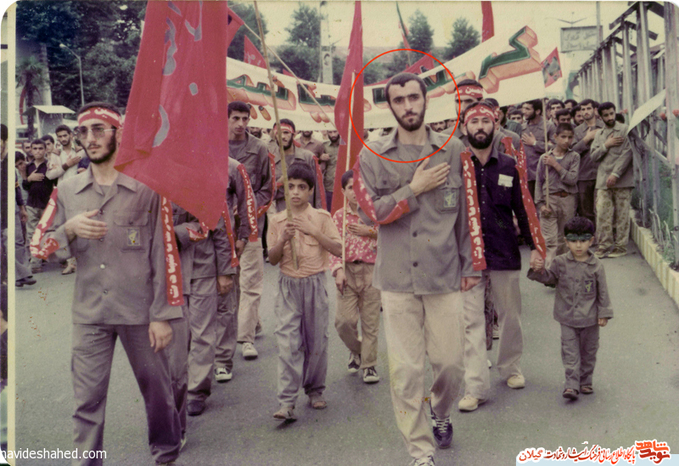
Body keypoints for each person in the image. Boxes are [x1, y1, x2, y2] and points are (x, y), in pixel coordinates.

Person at [35, 102, 186, 465]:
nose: (90, 138)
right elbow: (39, 247)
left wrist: (163, 315)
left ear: (119, 134)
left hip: (140, 312)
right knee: (87, 399)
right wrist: (68, 230)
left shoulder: (148, 187)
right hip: (91, 314)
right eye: (83, 132)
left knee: (157, 391)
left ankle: (166, 451)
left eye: (99, 129)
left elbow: (164, 253)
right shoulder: (67, 190)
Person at [356, 72, 480, 465]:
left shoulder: (453, 149)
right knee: (406, 371)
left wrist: (471, 266)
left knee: (450, 365)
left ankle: (440, 412)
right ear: (389, 106)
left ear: (426, 100)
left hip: (444, 274)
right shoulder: (372, 155)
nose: (408, 106)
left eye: (414, 97)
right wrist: (415, 188)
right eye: (399, 100)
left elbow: (467, 214)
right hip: (397, 281)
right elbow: (372, 214)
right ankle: (420, 451)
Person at [457, 101, 541, 414]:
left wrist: (536, 247)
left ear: (495, 125)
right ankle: (475, 386)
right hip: (467, 256)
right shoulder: (456, 165)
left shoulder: (509, 165)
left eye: (485, 121)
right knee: (471, 322)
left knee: (510, 316)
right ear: (464, 128)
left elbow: (523, 207)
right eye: (474, 121)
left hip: (504, 250)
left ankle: (510, 368)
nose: (480, 126)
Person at [267, 162, 342, 421]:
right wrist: (282, 239)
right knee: (288, 342)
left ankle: (315, 389)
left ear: (310, 190)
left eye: (302, 187)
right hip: (288, 286)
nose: (296, 192)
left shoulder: (322, 217)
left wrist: (314, 232)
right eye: (291, 187)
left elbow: (338, 249)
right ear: (284, 190)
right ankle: (286, 401)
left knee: (316, 340)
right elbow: (273, 259)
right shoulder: (277, 220)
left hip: (314, 283)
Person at [527, 216, 612, 400]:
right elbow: (550, 279)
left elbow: (603, 292)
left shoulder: (596, 266)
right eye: (573, 241)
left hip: (590, 318)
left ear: (591, 240)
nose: (578, 245)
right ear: (566, 241)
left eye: (583, 240)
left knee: (589, 352)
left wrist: (604, 313)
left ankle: (585, 381)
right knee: (570, 352)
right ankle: (571, 385)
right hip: (566, 317)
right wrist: (539, 270)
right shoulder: (560, 262)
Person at [172, 204, 234, 416]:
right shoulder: (158, 191)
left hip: (203, 268)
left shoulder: (206, 191)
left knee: (203, 333)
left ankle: (196, 392)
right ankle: (176, 388)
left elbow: (221, 231)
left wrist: (224, 272)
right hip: (171, 271)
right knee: (177, 336)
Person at [226, 101, 273, 362]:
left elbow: (267, 188)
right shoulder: (215, 146)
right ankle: (251, 321)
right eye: (235, 118)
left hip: (252, 225)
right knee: (230, 280)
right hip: (222, 228)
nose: (241, 124)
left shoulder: (259, 148)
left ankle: (245, 339)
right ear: (226, 119)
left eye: (245, 119)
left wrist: (249, 207)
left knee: (251, 282)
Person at [329, 170, 381, 384]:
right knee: (344, 321)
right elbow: (333, 247)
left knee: (370, 322)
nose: (355, 192)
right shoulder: (338, 217)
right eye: (350, 188)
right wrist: (338, 270)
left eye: (359, 187)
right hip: (347, 271)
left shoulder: (375, 212)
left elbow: (390, 235)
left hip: (372, 271)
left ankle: (369, 365)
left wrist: (369, 231)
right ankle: (357, 350)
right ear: (343, 191)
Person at [213, 157, 257, 378]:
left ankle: (222, 359)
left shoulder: (232, 167)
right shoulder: (184, 162)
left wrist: (243, 236)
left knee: (225, 303)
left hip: (224, 242)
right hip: (194, 247)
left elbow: (247, 202)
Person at [590, 102, 634, 258]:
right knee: (602, 213)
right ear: (600, 117)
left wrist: (616, 174)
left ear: (615, 112)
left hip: (622, 180)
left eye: (611, 114)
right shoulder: (599, 135)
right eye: (606, 115)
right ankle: (604, 246)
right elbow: (593, 156)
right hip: (603, 181)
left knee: (622, 215)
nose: (610, 117)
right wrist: (606, 145)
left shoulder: (625, 129)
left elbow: (628, 153)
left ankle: (621, 247)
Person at [534, 123, 579, 268]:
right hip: (549, 200)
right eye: (563, 137)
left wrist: (555, 165)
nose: (566, 140)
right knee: (549, 240)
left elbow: (572, 179)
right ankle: (550, 271)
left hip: (567, 199)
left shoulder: (574, 157)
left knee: (565, 238)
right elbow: (539, 182)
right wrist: (540, 204)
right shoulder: (545, 157)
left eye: (570, 137)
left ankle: (563, 269)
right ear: (555, 137)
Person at [46, 124, 83, 275]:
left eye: (65, 135)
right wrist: (66, 165)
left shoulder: (80, 151)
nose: (62, 139)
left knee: (82, 225)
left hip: (80, 192)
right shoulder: (56, 154)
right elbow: (50, 175)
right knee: (67, 228)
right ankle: (71, 263)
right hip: (63, 194)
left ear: (71, 135)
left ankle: (84, 262)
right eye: (59, 137)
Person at [268, 118, 324, 213]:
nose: (283, 137)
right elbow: (267, 195)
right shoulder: (270, 160)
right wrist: (280, 183)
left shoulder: (308, 158)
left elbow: (318, 192)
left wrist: (319, 214)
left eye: (286, 133)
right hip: (282, 214)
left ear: (293, 134)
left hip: (306, 214)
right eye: (279, 133)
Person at [23, 139, 56, 273]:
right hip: (32, 204)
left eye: (40, 148)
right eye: (35, 148)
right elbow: (24, 185)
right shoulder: (28, 166)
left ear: (45, 150)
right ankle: (35, 264)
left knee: (48, 232)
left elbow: (55, 181)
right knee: (32, 234)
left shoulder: (49, 165)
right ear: (31, 150)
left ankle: (55, 258)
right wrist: (29, 179)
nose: (38, 151)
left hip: (46, 204)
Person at [572, 99, 603, 226]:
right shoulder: (577, 131)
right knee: (586, 209)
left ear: (595, 110)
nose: (585, 112)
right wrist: (587, 138)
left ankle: (603, 235)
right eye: (583, 109)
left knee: (602, 208)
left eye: (588, 108)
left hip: (602, 173)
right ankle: (590, 234)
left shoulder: (604, 126)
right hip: (584, 174)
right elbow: (573, 151)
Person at [521, 99, 548, 198]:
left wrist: (535, 143)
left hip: (543, 174)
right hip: (526, 174)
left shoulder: (548, 126)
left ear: (537, 111)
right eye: (523, 108)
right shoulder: (522, 127)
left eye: (527, 109)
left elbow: (555, 148)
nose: (524, 111)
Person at [322, 129, 340, 211]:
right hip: (329, 185)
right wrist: (321, 158)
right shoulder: (324, 146)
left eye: (335, 132)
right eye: (330, 132)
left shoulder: (346, 145)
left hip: (343, 184)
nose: (333, 135)